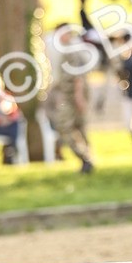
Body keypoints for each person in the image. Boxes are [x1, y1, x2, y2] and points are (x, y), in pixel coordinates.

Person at [44, 24, 95, 173]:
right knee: (77, 127)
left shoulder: (73, 50)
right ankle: (87, 159)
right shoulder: (66, 50)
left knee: (66, 125)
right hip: (69, 95)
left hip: (74, 96)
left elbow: (78, 77)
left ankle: (86, 158)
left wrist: (79, 98)